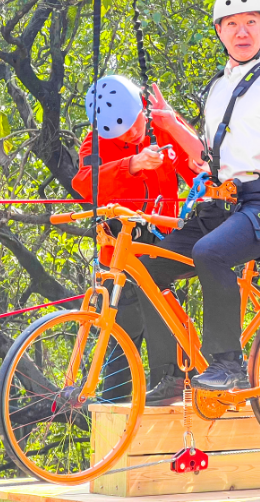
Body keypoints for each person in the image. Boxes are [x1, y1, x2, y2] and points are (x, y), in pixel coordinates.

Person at [136, 0, 260, 391]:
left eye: (251, 22)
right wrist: (169, 122)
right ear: (219, 31)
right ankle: (171, 375)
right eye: (232, 24)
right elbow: (207, 159)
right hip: (223, 203)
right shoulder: (218, 86)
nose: (242, 32)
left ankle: (228, 364)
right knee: (148, 267)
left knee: (210, 253)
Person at [72, 74, 204, 405]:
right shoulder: (96, 141)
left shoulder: (162, 127)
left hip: (161, 242)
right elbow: (85, 183)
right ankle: (114, 409)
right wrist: (131, 164)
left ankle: (174, 383)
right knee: (121, 332)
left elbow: (200, 171)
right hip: (120, 251)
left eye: (134, 125)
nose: (131, 134)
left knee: (163, 310)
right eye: (121, 132)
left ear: (141, 109)